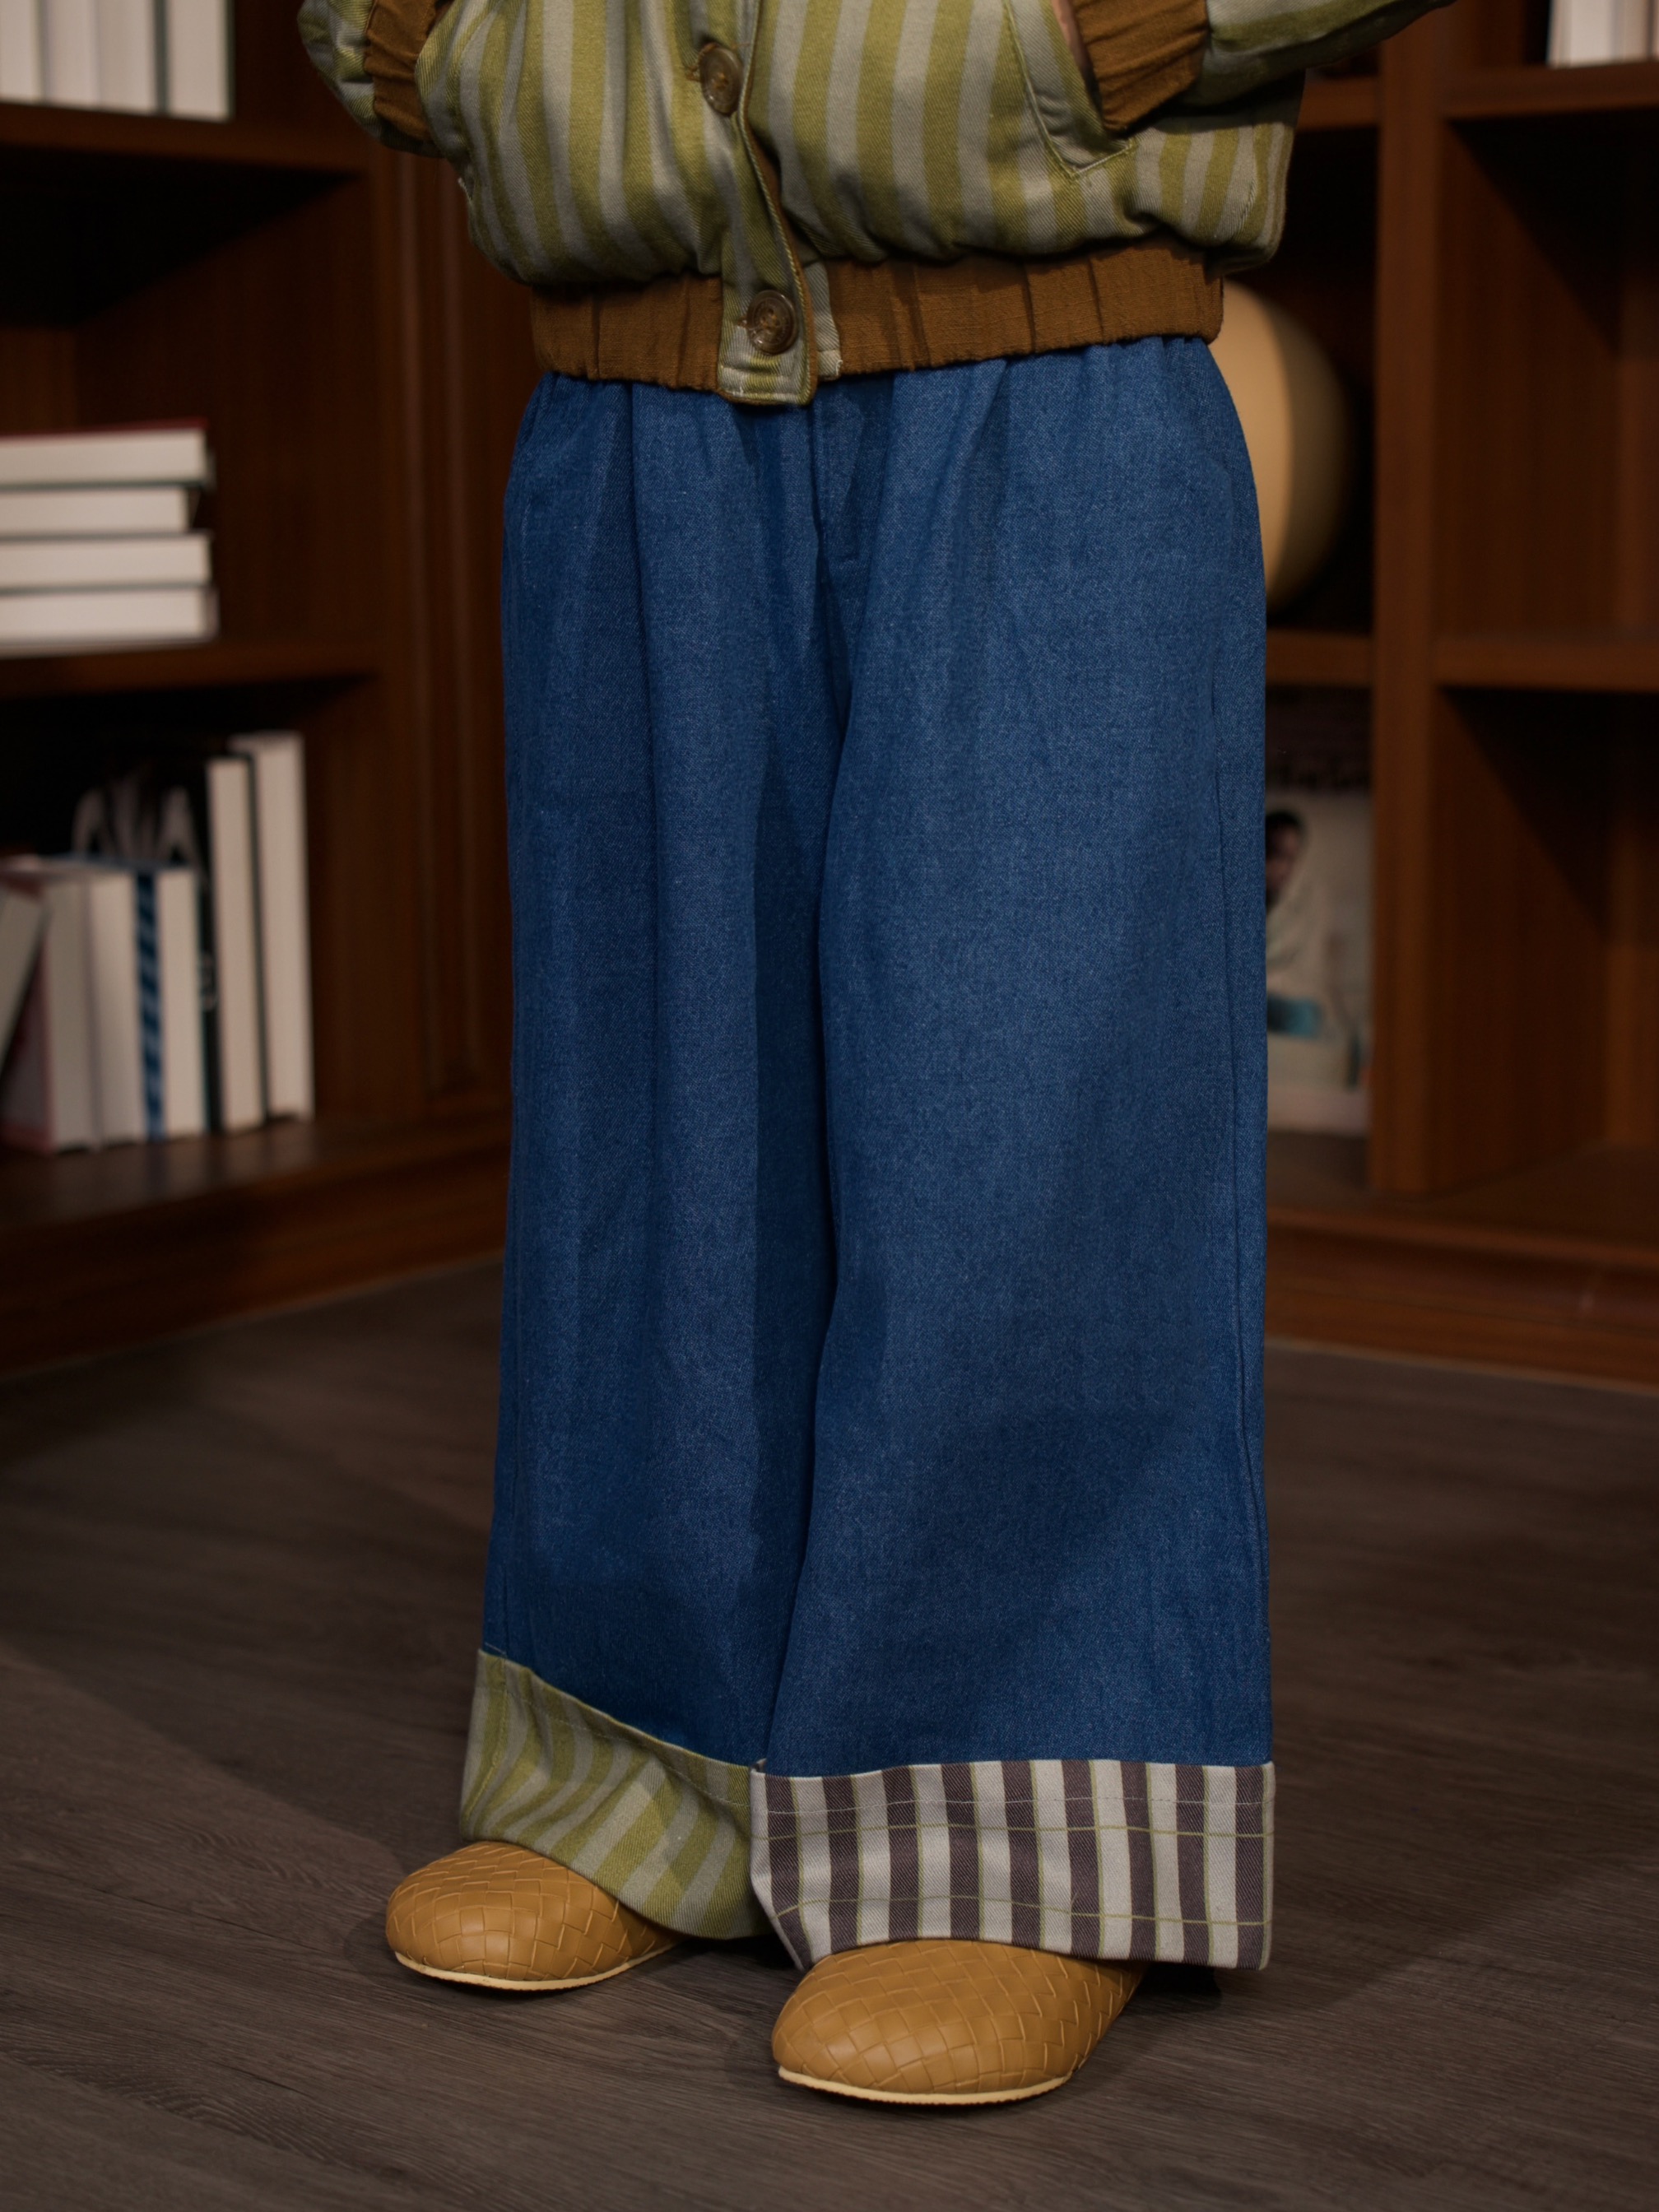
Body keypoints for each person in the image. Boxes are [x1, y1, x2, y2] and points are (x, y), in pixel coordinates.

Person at [302, 0, 1443, 2107]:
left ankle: (1016, 1823)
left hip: (1048, 361)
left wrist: (1113, 26)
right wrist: (436, 41)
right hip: (622, 361)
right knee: (654, 1130)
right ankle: (637, 1757)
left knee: (1029, 1114)